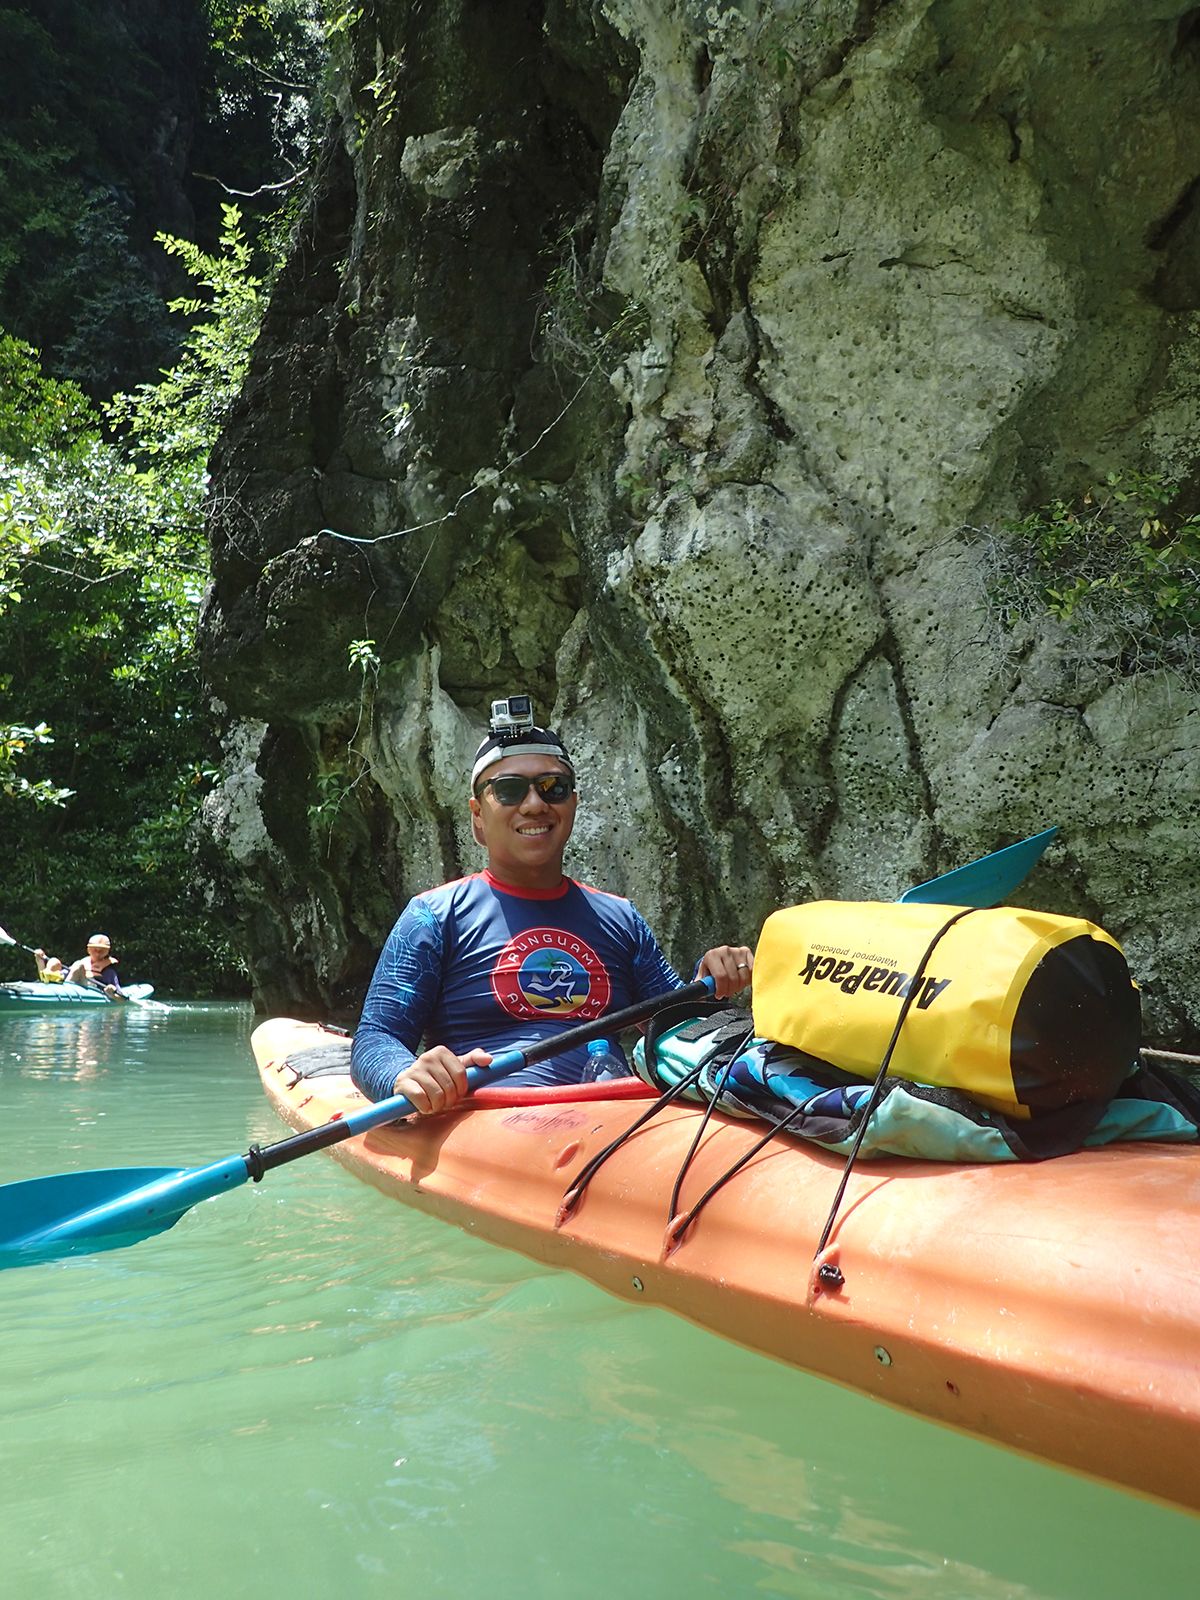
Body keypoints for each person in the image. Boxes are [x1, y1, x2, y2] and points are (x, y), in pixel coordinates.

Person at [351, 699, 754, 1115]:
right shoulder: (432, 917)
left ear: (572, 805)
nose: (534, 804)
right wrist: (405, 1074)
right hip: (488, 1120)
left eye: (552, 788)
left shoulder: (621, 919)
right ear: (477, 816)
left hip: (612, 1117)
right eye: (508, 790)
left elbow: (680, 1029)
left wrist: (712, 980)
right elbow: (376, 1038)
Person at [65, 934, 127, 1000]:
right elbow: (64, 974)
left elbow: (122, 998)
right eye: (95, 950)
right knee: (56, 962)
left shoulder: (109, 973)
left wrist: (112, 994)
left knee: (79, 965)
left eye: (102, 951)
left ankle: (66, 995)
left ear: (107, 952)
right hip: (74, 986)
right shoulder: (80, 965)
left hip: (92, 991)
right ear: (88, 950)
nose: (98, 954)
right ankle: (65, 991)